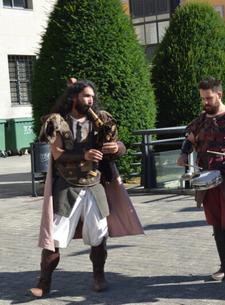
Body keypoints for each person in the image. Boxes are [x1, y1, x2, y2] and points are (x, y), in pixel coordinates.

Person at [29, 79, 144, 297]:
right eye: (85, 96)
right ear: (74, 97)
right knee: (55, 237)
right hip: (67, 186)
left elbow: (121, 145)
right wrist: (84, 154)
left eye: (92, 96)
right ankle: (44, 283)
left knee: (99, 235)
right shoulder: (58, 121)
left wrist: (116, 148)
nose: (90, 100)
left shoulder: (102, 120)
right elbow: (57, 155)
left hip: (95, 185)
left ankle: (99, 277)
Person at [177, 77, 225, 281]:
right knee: (217, 223)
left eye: (209, 98)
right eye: (202, 98)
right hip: (208, 179)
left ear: (219, 95)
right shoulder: (200, 121)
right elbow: (189, 140)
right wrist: (184, 154)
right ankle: (224, 266)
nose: (205, 102)